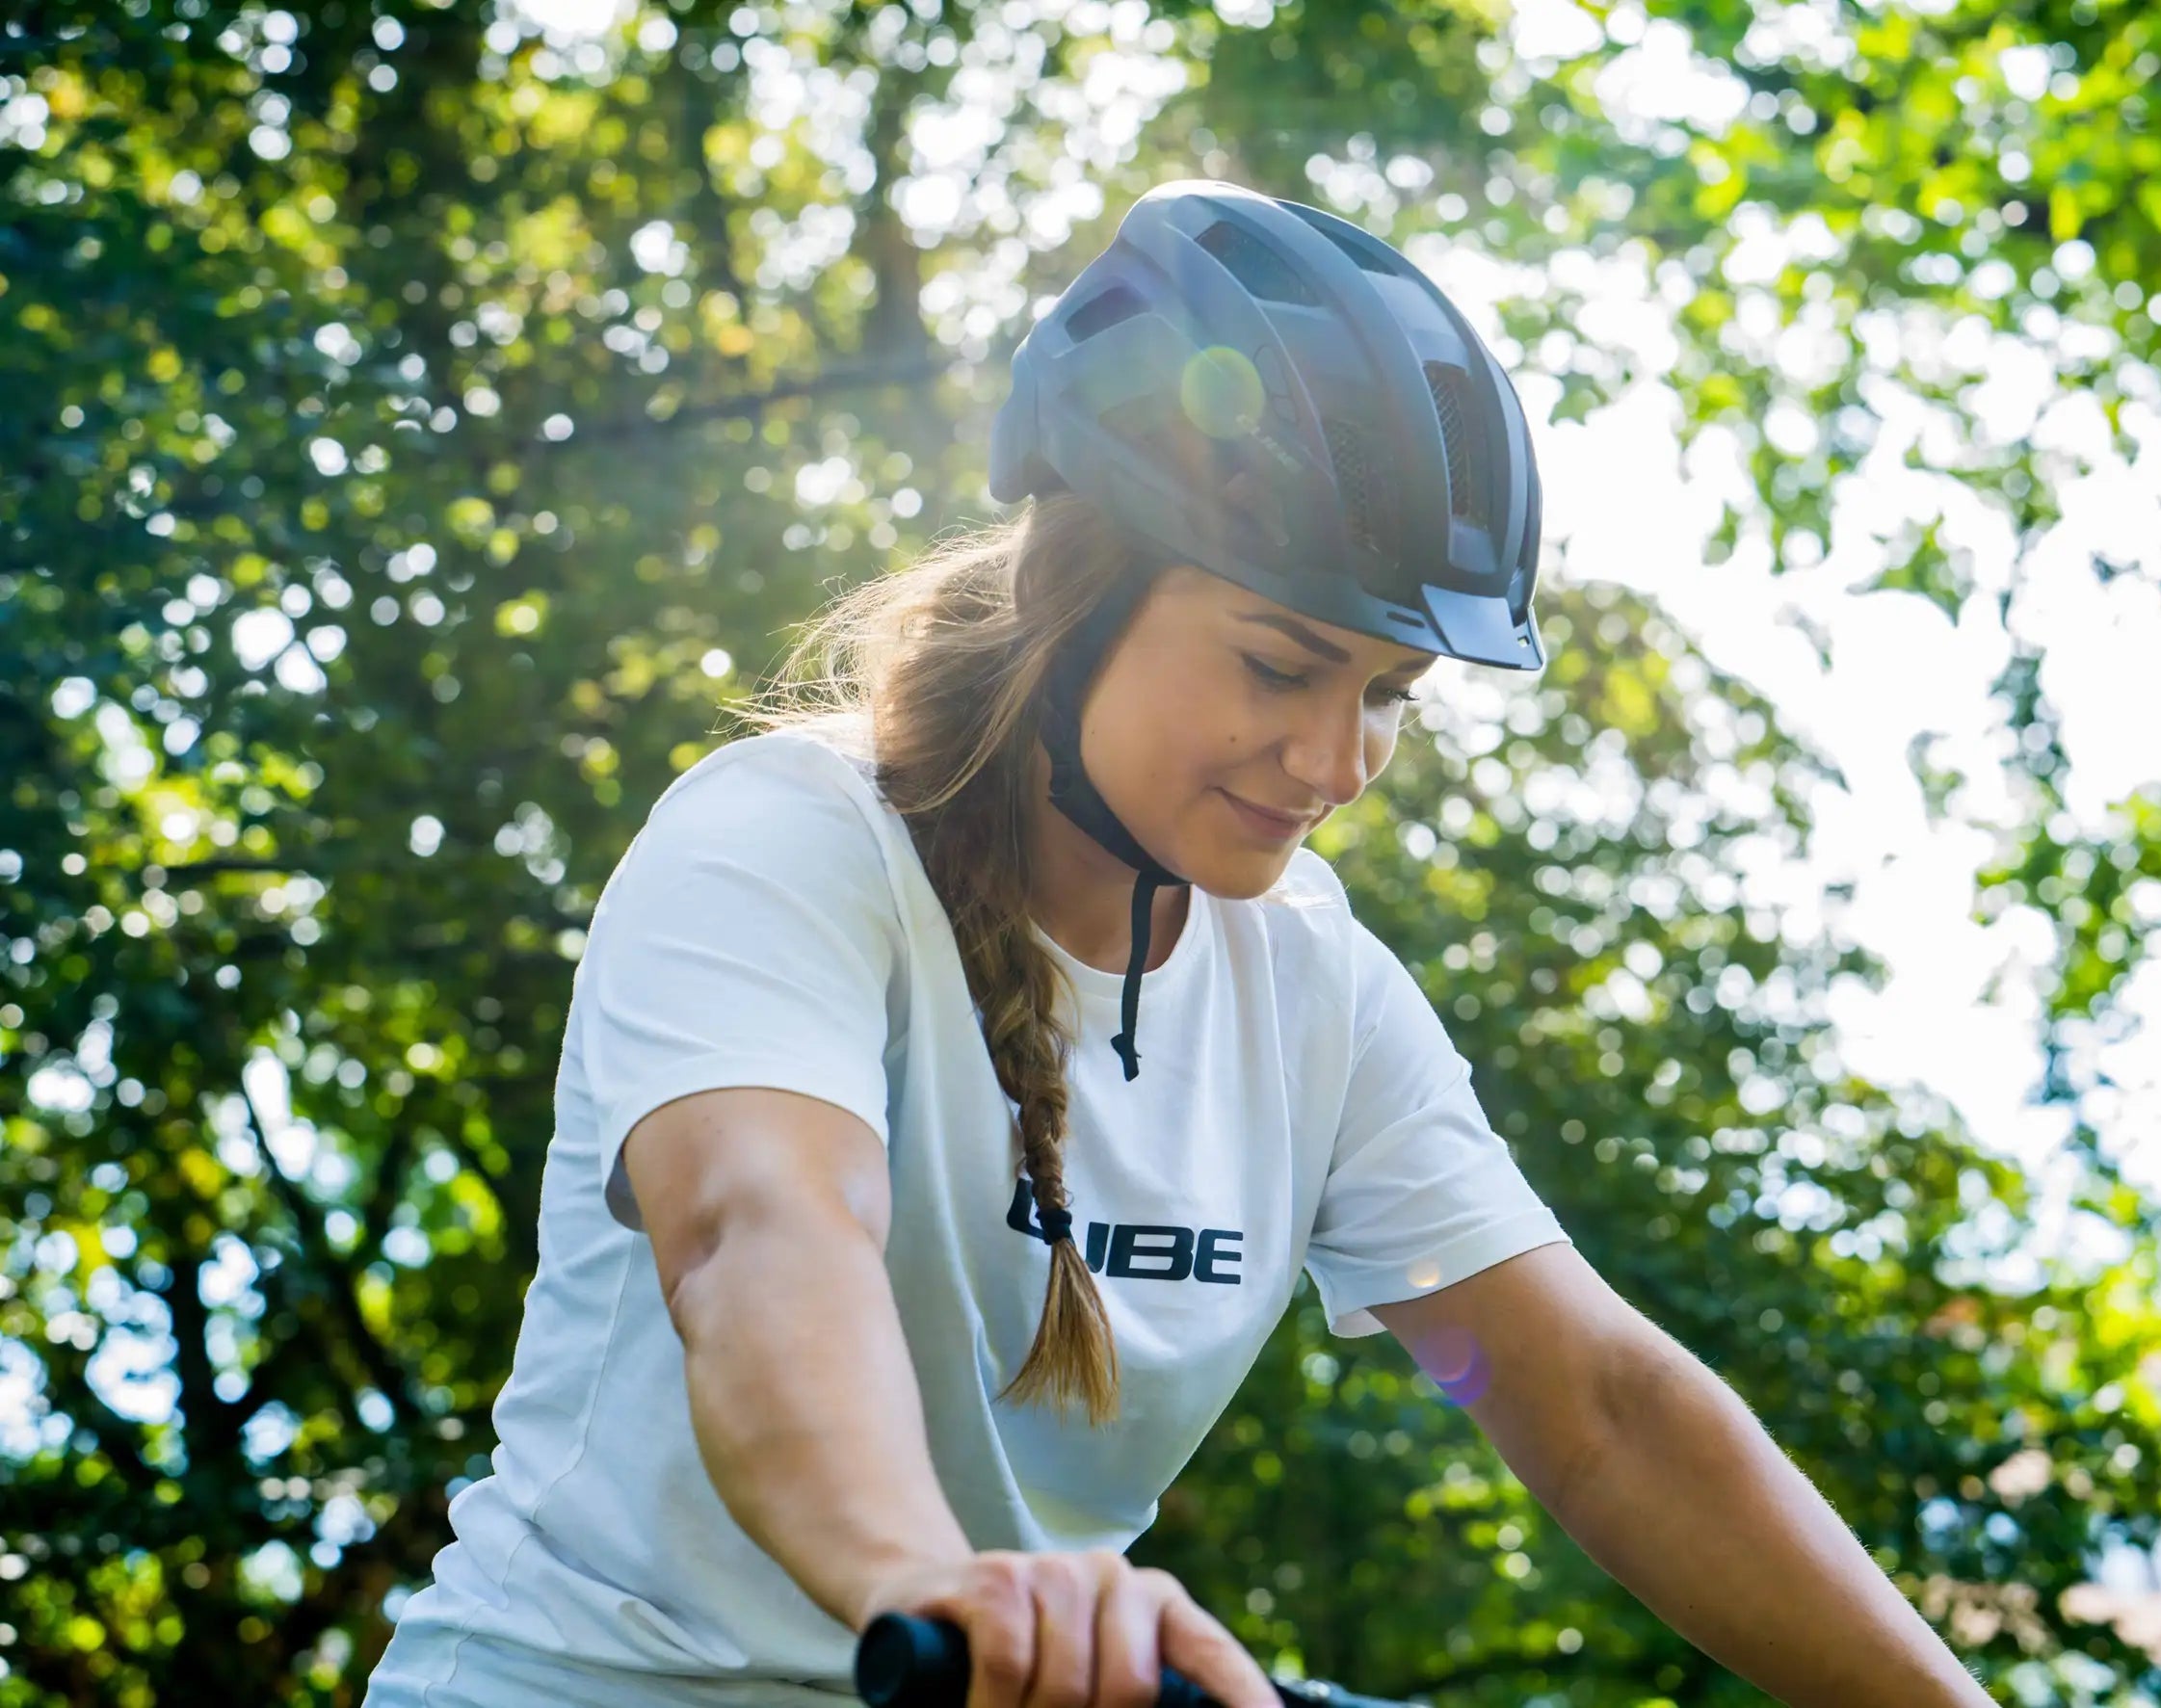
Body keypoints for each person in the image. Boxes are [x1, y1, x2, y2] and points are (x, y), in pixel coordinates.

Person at [361, 180, 1997, 1708]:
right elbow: (755, 1234)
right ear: (1081, 595)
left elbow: (1597, 1407)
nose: (1338, 760)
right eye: (1282, 666)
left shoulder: (1311, 980)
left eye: (1388, 699)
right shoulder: (786, 841)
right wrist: (938, 1587)